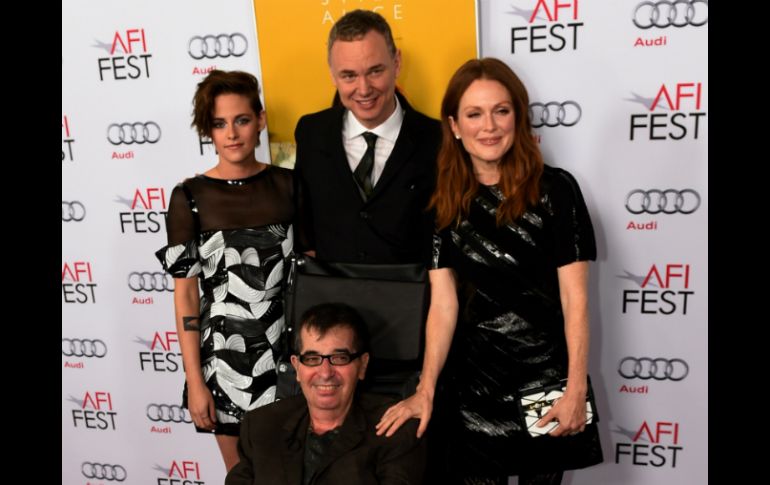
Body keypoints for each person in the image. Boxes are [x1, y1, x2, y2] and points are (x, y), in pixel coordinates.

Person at [375, 58, 603, 484]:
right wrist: (424, 391)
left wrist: (575, 389)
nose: (490, 126)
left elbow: (576, 301)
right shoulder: (442, 204)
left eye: (501, 110)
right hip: (472, 386)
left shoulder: (556, 190)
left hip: (546, 381)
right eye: (474, 114)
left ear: (517, 116)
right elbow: (443, 306)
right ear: (455, 126)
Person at [155, 70, 295, 471]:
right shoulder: (189, 197)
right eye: (219, 123)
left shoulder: (290, 186)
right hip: (223, 361)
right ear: (208, 131)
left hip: (287, 357)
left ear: (261, 120)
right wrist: (196, 381)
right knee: (241, 478)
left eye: (242, 120)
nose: (231, 133)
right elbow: (185, 294)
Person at [293, 9, 440, 265]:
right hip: (334, 300)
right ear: (332, 74)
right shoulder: (311, 132)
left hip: (412, 300)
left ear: (396, 63)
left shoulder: (437, 139)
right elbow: (304, 227)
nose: (363, 89)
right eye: (349, 75)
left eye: (375, 71)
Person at [225, 303, 426, 485]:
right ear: (297, 367)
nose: (325, 373)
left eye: (339, 358)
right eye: (312, 358)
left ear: (362, 365)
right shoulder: (261, 425)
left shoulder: (396, 430)